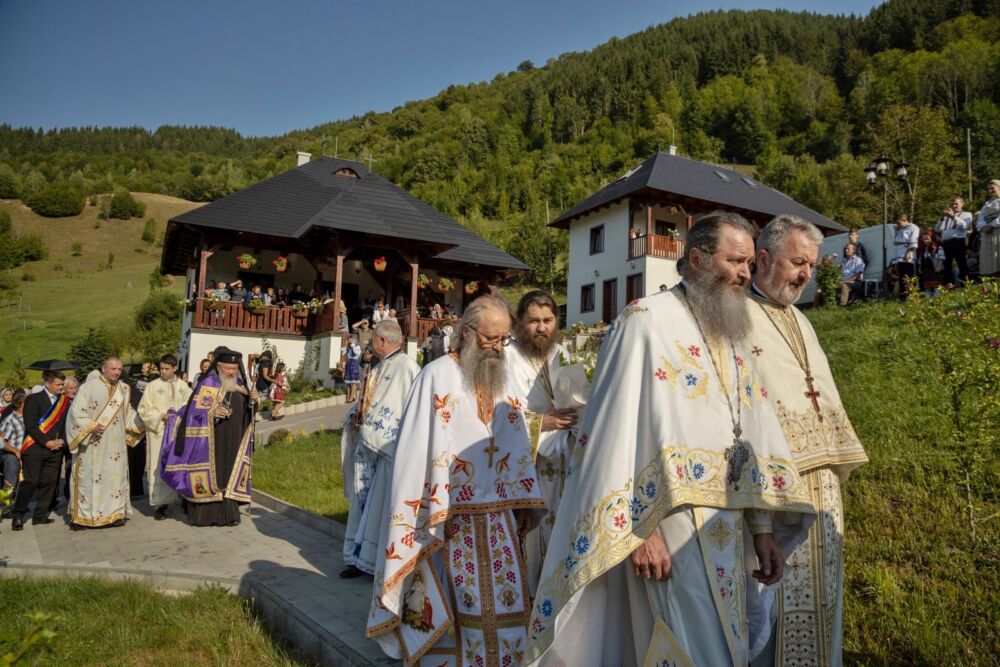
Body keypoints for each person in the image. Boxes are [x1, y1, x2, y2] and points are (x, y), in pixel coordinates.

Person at [525, 212, 814, 666]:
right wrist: (639, 530)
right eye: (735, 260)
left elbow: (755, 432)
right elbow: (611, 434)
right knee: (682, 648)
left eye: (747, 262)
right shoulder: (645, 322)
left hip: (729, 530)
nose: (745, 272)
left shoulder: (735, 330)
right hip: (666, 524)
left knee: (726, 648)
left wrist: (762, 529)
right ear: (696, 259)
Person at [366, 295, 545, 665]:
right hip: (449, 522)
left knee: (508, 605)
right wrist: (431, 513)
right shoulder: (435, 376)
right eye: (489, 339)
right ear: (466, 333)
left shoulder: (505, 376)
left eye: (502, 340)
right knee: (455, 610)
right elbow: (414, 452)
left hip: (499, 522)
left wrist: (525, 503)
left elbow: (517, 441)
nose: (497, 348)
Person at [748, 215, 869, 666]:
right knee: (769, 607)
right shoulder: (735, 316)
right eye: (798, 262)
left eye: (813, 266)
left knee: (823, 599)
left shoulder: (803, 320)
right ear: (763, 258)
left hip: (823, 489)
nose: (805, 274)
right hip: (772, 490)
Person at [506, 290, 582, 594]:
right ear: (520, 323)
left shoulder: (561, 354)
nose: (541, 328)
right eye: (533, 321)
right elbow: (493, 421)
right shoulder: (506, 360)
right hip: (529, 470)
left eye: (547, 320)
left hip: (565, 463)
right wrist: (541, 422)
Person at [339, 320, 420, 578]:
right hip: (368, 448)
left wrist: (371, 427)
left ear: (383, 340)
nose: (370, 343)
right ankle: (357, 557)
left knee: (380, 509)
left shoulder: (406, 367)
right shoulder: (380, 365)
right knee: (362, 504)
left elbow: (405, 410)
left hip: (387, 450)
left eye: (373, 338)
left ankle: (375, 562)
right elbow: (369, 400)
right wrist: (355, 417)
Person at [161, 347, 257, 527]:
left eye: (234, 369)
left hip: (234, 439)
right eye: (228, 368)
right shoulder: (208, 384)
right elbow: (194, 413)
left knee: (230, 474)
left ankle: (229, 514)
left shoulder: (241, 386)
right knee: (214, 475)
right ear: (219, 367)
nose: (231, 372)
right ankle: (207, 515)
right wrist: (212, 413)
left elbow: (248, 414)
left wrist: (254, 401)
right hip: (211, 441)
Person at [66, 358, 144, 530]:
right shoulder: (88, 387)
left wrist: (143, 422)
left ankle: (114, 514)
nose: (116, 372)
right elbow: (76, 413)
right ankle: (81, 517)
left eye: (119, 369)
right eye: (113, 368)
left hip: (116, 446)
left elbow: (128, 414)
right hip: (92, 444)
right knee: (88, 479)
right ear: (103, 369)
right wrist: (91, 426)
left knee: (114, 480)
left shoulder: (124, 389)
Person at [11, 371, 70, 531]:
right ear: (47, 384)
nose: (60, 388)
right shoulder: (33, 399)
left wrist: (62, 440)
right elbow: (30, 424)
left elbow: (67, 423)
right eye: (57, 385)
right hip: (35, 448)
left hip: (56, 449)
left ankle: (40, 515)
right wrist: (46, 442)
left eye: (62, 385)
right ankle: (18, 514)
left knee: (49, 483)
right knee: (31, 481)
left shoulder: (64, 401)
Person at [138, 354, 193, 521]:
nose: (163, 372)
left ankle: (183, 499)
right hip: (159, 434)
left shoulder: (184, 387)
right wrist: (161, 417)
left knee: (180, 464)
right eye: (161, 368)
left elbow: (192, 407)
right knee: (158, 464)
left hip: (178, 434)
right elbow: (143, 409)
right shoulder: (152, 387)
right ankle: (161, 505)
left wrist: (181, 418)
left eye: (167, 369)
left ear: (174, 368)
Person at [935, 196, 973, 286]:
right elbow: (937, 229)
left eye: (956, 203)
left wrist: (953, 216)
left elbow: (964, 226)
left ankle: (966, 285)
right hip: (946, 243)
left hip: (958, 241)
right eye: (953, 203)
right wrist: (942, 218)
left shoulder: (967, 214)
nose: (954, 205)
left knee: (961, 264)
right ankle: (949, 286)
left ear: (962, 204)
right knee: (947, 266)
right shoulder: (946, 217)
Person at [0, 392, 26, 515]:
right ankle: (6, 508)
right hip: (11, 456)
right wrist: (15, 450)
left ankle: (17, 506)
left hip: (23, 455)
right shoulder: (9, 420)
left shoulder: (26, 417)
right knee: (10, 483)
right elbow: (1, 442)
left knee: (21, 483)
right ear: (21, 404)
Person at [977, 179, 1000, 276]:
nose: (990, 191)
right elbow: (980, 219)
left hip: (998, 231)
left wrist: (992, 224)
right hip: (988, 234)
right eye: (988, 189)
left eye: (992, 188)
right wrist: (984, 226)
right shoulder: (987, 204)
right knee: (990, 263)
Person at [342, 335, 362, 402]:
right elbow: (343, 353)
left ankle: (351, 398)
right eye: (349, 339)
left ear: (354, 340)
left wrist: (353, 346)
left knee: (353, 382)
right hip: (349, 363)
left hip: (354, 364)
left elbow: (357, 353)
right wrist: (346, 345)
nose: (350, 341)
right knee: (348, 383)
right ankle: (349, 397)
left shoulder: (357, 346)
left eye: (351, 339)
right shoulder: (348, 347)